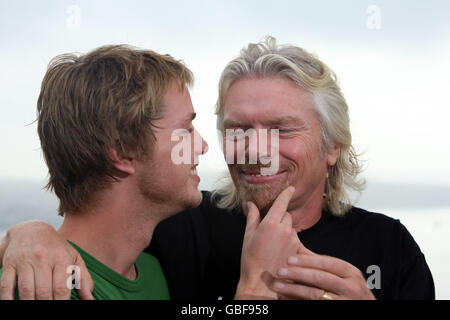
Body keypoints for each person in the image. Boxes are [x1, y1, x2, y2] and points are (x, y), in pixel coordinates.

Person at [0, 37, 435, 300]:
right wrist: (30, 234)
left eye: (282, 129)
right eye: (238, 128)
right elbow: (101, 231)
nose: (256, 150)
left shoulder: (390, 249)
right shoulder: (178, 229)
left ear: (332, 145)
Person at [0, 44, 210, 299]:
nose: (202, 146)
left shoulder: (153, 271)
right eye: (185, 129)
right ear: (123, 151)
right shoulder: (37, 288)